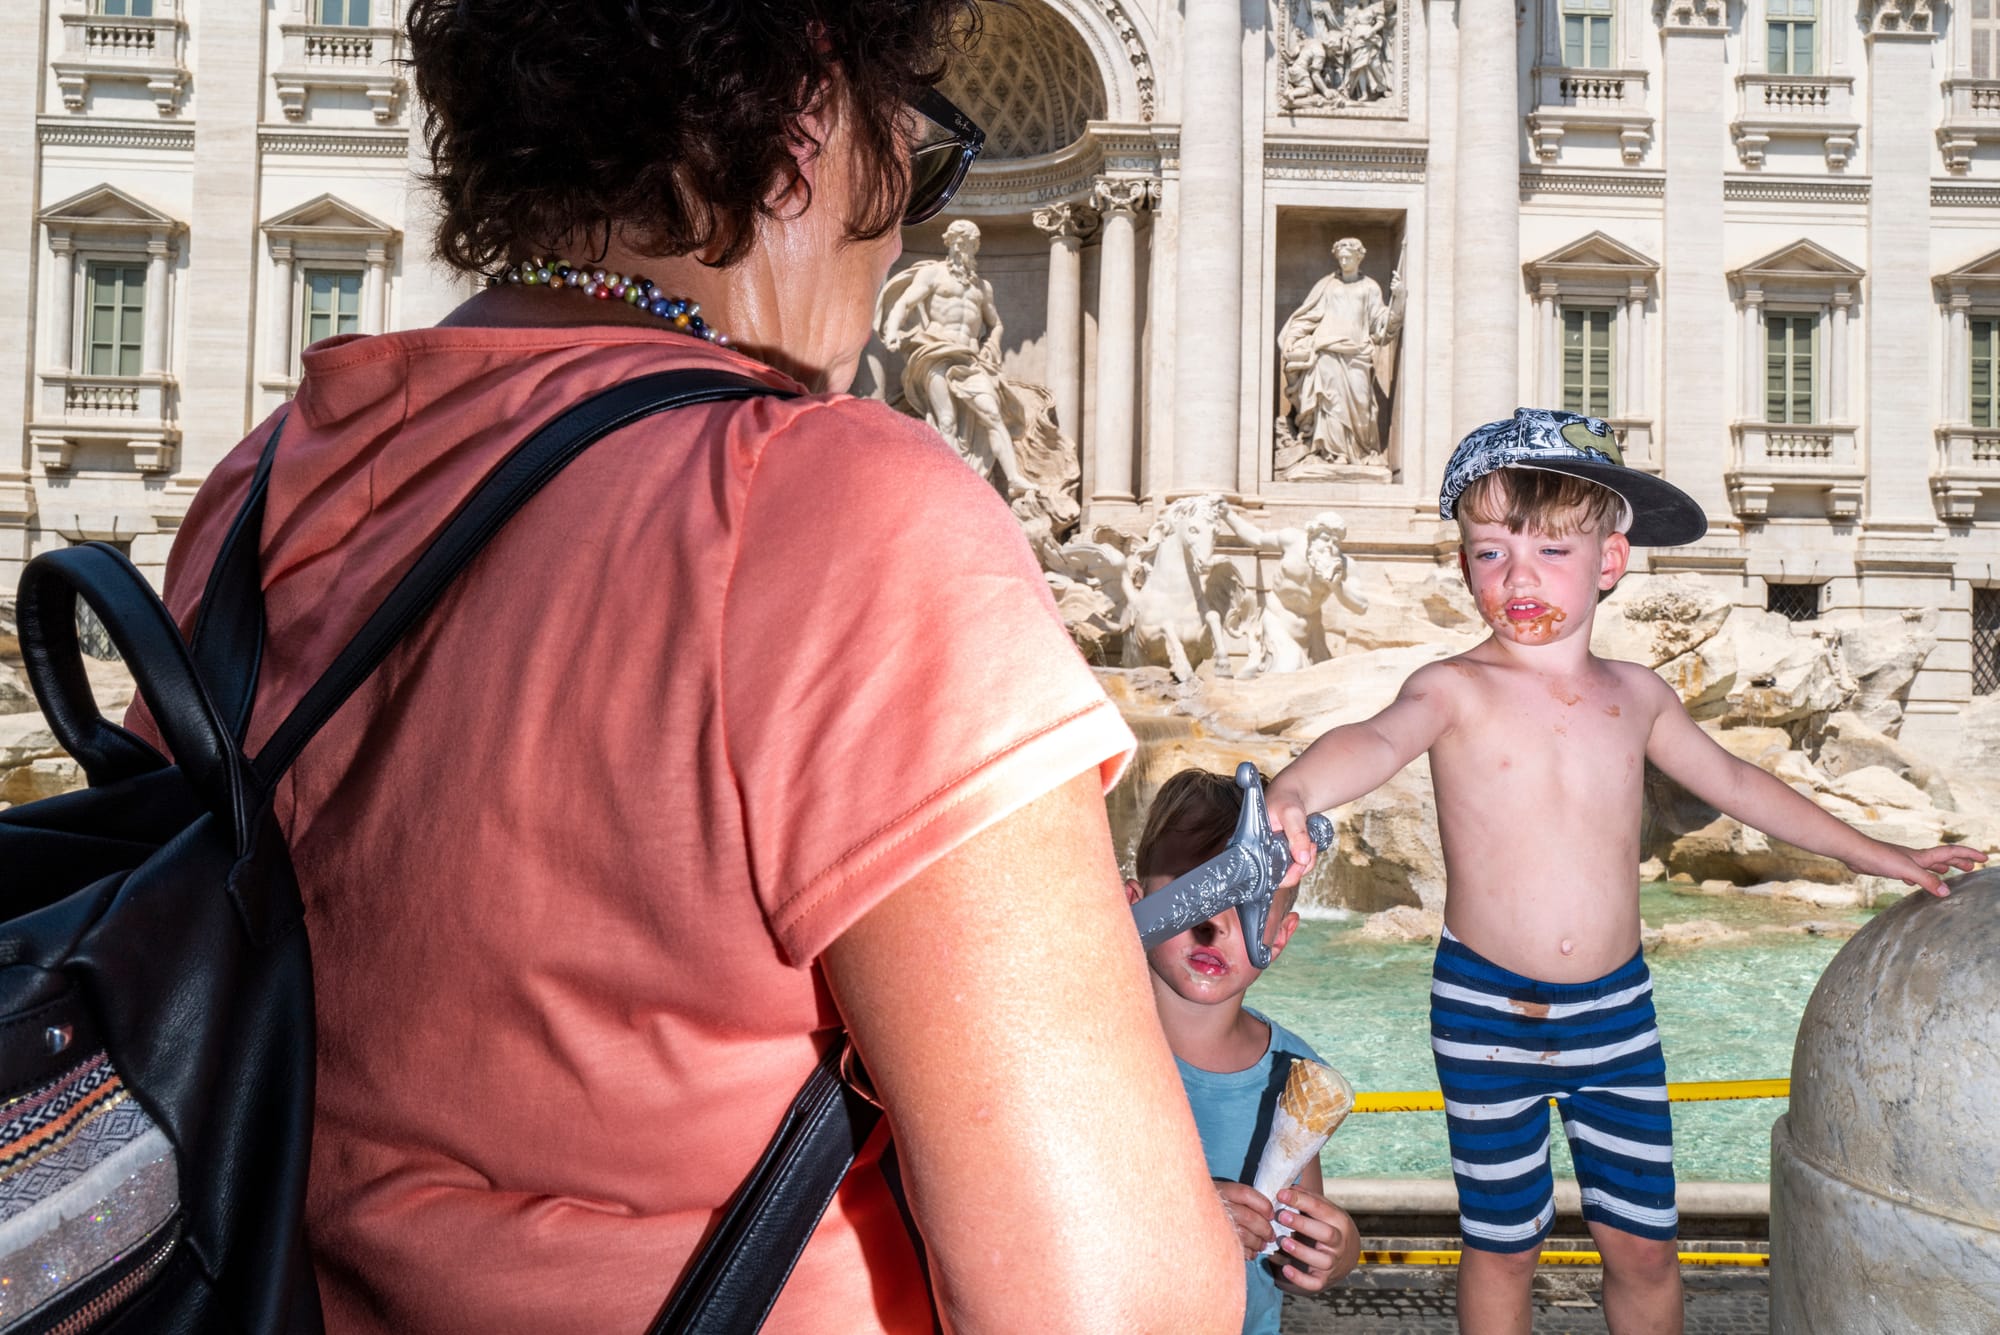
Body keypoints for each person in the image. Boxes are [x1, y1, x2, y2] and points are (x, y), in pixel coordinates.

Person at [125, 4, 1244, 1332]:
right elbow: (1117, 1302)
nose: (899, 240)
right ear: (802, 132)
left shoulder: (260, 494)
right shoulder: (837, 513)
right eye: (921, 162)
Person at [1264, 408, 1987, 1335]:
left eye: (1551, 552)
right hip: (1486, 1008)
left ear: (1610, 559)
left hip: (1616, 1008)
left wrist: (1877, 851)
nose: (1518, 577)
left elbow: (1737, 783)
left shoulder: (1638, 696)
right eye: (1491, 553)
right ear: (1463, 566)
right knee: (1503, 1242)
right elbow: (1373, 741)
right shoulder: (1452, 689)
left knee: (1644, 1243)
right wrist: (1294, 788)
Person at [1126, 769, 1363, 1335]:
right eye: (1195, 887)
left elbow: (1286, 1241)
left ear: (1279, 937)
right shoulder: (1083, 1051)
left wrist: (1336, 1251)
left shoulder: (1295, 1075)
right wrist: (1187, 1218)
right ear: (1135, 904)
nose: (1217, 921)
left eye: (1253, 898)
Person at [875, 218, 1080, 533]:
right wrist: (891, 331)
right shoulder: (933, 274)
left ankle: (1013, 479)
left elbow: (994, 323)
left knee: (992, 414)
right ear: (949, 242)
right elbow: (904, 303)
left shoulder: (982, 288)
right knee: (945, 420)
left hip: (970, 359)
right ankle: (950, 479)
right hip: (934, 352)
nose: (965, 247)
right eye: (960, 241)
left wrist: (993, 344)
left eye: (971, 242)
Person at [1275, 236, 1404, 474]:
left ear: (1358, 257)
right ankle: (1331, 454)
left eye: (1349, 257)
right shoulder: (1327, 286)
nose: (1344, 261)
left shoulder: (1370, 288)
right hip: (1326, 354)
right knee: (1329, 406)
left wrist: (1399, 299)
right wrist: (1292, 339)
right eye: (1340, 257)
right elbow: (1307, 317)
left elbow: (1382, 327)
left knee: (1361, 406)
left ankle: (1359, 452)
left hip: (1357, 354)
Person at [1222, 508, 1369, 674]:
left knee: (1319, 677)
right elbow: (1256, 538)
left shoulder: (1344, 565)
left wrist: (1336, 586)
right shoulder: (1291, 540)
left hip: (1312, 632)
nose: (1329, 546)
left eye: (1335, 542)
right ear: (1312, 536)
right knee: (1289, 668)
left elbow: (1361, 606)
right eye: (1325, 539)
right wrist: (1227, 514)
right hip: (1278, 620)